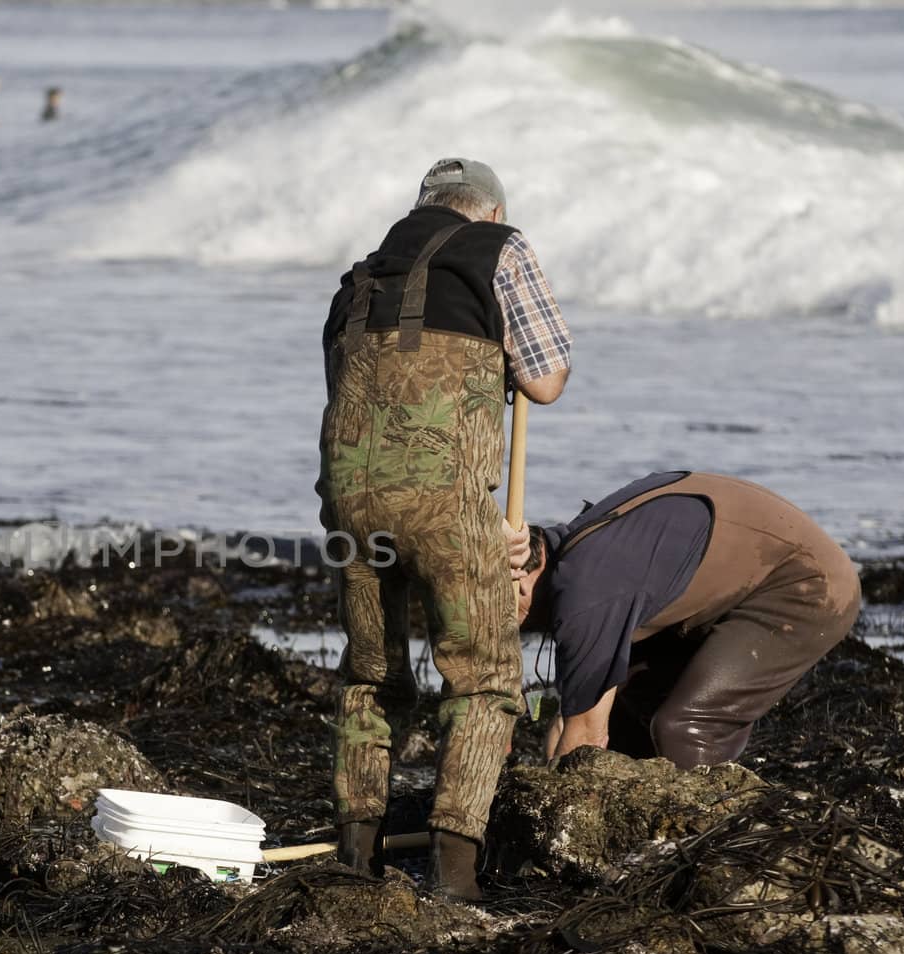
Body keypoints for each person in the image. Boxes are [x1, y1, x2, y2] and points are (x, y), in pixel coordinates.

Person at [316, 158, 573, 899]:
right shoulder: (502, 247)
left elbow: (351, 404)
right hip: (442, 506)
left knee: (370, 676)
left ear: (422, 207)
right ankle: (453, 877)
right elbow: (547, 379)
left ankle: (355, 859)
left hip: (351, 500)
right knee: (485, 681)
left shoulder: (357, 283)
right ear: (487, 213)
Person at [512, 472, 861, 767]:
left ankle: (703, 835)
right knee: (631, 707)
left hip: (808, 585)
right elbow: (574, 710)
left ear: (521, 584)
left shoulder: (586, 594)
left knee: (683, 726)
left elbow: (586, 735)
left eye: (500, 613)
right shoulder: (578, 562)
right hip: (738, 582)